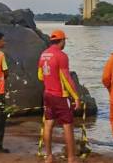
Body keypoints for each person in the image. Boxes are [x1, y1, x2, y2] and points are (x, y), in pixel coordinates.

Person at [38, 29, 81, 163]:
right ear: (61, 41)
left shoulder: (44, 54)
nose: (64, 43)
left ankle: (49, 156)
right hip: (60, 96)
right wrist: (76, 97)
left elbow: (40, 75)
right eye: (64, 41)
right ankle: (71, 158)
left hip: (47, 94)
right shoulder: (61, 55)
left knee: (48, 123)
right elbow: (66, 78)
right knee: (68, 125)